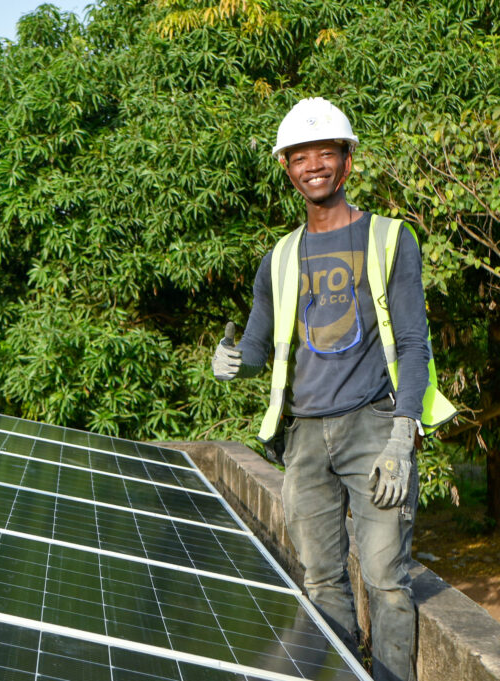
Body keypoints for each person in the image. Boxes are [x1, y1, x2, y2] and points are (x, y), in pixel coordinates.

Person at [211, 97, 456, 681]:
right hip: (303, 438)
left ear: (347, 162)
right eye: (300, 157)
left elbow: (414, 344)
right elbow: (259, 345)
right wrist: (232, 361)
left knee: (386, 581)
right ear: (287, 169)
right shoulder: (278, 257)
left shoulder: (390, 239)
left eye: (326, 154)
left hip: (373, 428)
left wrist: (402, 438)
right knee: (320, 581)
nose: (313, 166)